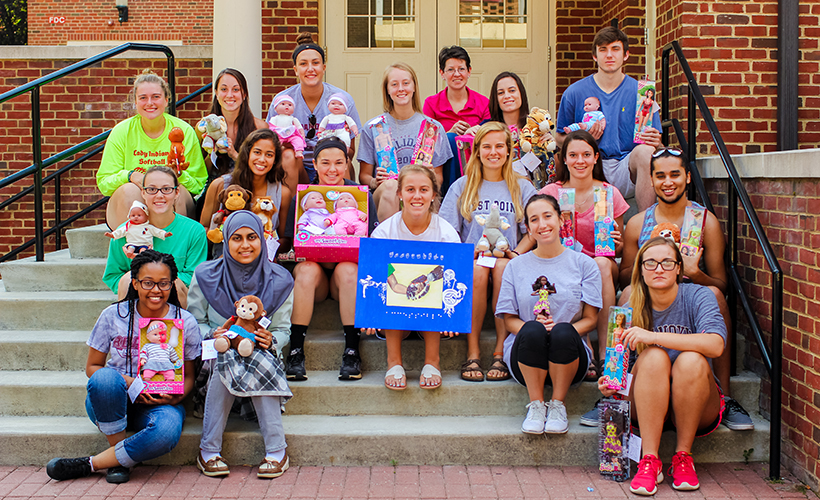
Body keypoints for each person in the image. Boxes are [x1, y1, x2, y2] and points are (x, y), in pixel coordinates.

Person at [614, 147, 752, 431]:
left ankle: (724, 396)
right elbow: (624, 277)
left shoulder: (706, 222)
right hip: (652, 300)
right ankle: (617, 384)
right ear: (650, 181)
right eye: (660, 175)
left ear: (688, 177)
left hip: (692, 302)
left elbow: (721, 284)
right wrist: (646, 264)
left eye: (675, 174)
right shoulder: (638, 223)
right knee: (627, 295)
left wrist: (694, 272)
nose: (668, 182)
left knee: (714, 296)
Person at [46, 251, 200, 484]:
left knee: (167, 432)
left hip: (159, 404)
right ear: (135, 283)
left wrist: (176, 398)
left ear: (172, 285)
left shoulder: (185, 322)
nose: (156, 290)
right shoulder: (113, 315)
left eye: (163, 283)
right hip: (111, 400)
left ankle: (94, 464)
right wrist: (131, 382)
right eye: (148, 283)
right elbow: (92, 367)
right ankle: (119, 454)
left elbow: (189, 375)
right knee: (105, 378)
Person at [598, 236, 726, 495]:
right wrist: (611, 384)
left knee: (690, 359)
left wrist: (652, 336)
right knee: (654, 358)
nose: (658, 269)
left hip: (695, 402)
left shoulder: (698, 295)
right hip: (645, 403)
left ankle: (683, 457)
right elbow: (618, 367)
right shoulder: (629, 306)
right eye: (651, 263)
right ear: (641, 269)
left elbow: (715, 345)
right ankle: (650, 460)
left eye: (667, 262)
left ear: (679, 267)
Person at [187, 211, 294, 479]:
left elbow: (283, 330)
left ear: (262, 239)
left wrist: (271, 341)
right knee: (228, 359)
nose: (244, 245)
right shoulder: (205, 275)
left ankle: (276, 451)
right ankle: (209, 450)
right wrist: (214, 333)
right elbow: (193, 324)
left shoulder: (280, 280)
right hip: (215, 356)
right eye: (236, 238)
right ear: (225, 240)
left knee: (256, 357)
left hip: (260, 357)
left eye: (251, 237)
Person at [496, 194, 601, 434]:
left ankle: (557, 405)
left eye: (547, 216)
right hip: (526, 354)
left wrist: (556, 331)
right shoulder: (515, 266)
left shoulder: (584, 264)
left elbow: (591, 319)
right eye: (534, 220)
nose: (542, 225)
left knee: (564, 331)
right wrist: (538, 329)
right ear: (528, 228)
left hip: (570, 354)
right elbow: (508, 319)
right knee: (532, 329)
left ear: (561, 220)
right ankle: (536, 405)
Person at [440, 122, 536, 382]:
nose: (493, 152)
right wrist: (465, 253)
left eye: (499, 146)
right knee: (477, 273)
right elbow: (447, 230)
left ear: (508, 151)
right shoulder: (462, 186)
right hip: (473, 257)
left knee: (505, 270)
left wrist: (515, 253)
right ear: (477, 151)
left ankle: (500, 351)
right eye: (487, 147)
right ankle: (473, 352)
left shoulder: (522, 187)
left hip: (509, 257)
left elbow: (533, 230)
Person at [280, 137, 378, 382]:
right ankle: (295, 350)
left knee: (347, 270)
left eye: (338, 163)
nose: (332, 169)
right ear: (314, 164)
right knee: (305, 269)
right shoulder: (304, 198)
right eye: (325, 163)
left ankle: (352, 350)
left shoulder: (360, 197)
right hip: (317, 279)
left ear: (347, 164)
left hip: (343, 278)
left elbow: (370, 242)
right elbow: (295, 241)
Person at [363, 164, 461, 390]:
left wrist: (451, 316)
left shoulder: (446, 233)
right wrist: (371, 313)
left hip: (431, 307)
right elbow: (375, 274)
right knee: (395, 290)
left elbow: (453, 277)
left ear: (434, 194)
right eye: (410, 189)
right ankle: (394, 362)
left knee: (430, 288)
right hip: (397, 303)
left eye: (424, 190)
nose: (417, 196)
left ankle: (432, 361)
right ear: (399, 194)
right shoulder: (384, 232)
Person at [539, 130, 629, 375]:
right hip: (562, 262)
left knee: (599, 265)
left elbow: (617, 249)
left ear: (596, 158)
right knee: (572, 267)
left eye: (586, 154)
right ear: (564, 160)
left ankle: (604, 352)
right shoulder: (551, 194)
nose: (580, 160)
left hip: (600, 262)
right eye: (573, 155)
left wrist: (617, 242)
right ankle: (584, 344)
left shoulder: (609, 194)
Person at [554, 27, 661, 211]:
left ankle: (645, 226)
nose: (609, 55)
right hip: (590, 164)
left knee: (646, 152)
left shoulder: (642, 93)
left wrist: (657, 143)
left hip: (627, 168)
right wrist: (583, 140)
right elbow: (558, 138)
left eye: (615, 49)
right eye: (603, 49)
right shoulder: (574, 92)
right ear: (595, 56)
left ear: (626, 54)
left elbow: (656, 145)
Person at [98, 70, 207, 229]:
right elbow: (104, 182)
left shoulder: (183, 130)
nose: (150, 103)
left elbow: (199, 184)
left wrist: (179, 176)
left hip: (172, 202)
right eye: (143, 98)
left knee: (176, 192)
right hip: (135, 204)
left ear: (166, 100)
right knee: (129, 190)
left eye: (156, 97)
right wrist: (130, 175)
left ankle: (176, 249)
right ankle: (134, 247)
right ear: (135, 102)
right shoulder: (121, 131)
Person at [266, 32, 362, 193]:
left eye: (315, 63)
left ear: (323, 67)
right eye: (303, 64)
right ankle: (290, 215)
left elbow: (350, 152)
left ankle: (341, 215)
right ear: (296, 70)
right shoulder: (283, 100)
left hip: (329, 166)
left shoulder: (342, 100)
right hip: (297, 166)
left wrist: (329, 156)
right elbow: (272, 145)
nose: (310, 69)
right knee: (288, 156)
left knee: (340, 160)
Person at [102, 166, 207, 309]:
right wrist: (145, 284)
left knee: (174, 282)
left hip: (176, 301)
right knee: (127, 279)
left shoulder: (194, 231)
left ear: (176, 193)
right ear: (143, 193)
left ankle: (180, 329)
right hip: (137, 299)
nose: (159, 195)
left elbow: (193, 276)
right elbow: (113, 276)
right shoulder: (125, 231)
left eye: (166, 189)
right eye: (151, 189)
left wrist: (160, 280)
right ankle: (130, 328)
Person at [358, 62, 452, 222]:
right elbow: (364, 176)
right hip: (385, 195)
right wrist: (375, 181)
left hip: (421, 194)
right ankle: (387, 244)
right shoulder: (374, 127)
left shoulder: (433, 128)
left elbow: (440, 178)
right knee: (391, 187)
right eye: (394, 84)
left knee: (420, 190)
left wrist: (432, 176)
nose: (401, 88)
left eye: (406, 83)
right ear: (387, 90)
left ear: (414, 87)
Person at [199, 129, 292, 257]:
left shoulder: (282, 193)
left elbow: (286, 241)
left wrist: (260, 245)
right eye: (257, 152)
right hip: (224, 258)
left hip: (263, 259)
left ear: (275, 160)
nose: (262, 159)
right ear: (247, 154)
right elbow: (202, 230)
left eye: (269, 155)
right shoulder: (220, 185)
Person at [422, 46, 490, 195]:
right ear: (442, 73)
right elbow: (426, 143)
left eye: (461, 69)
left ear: (469, 71)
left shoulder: (483, 102)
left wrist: (474, 132)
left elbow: (491, 135)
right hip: (443, 169)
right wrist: (448, 135)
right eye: (451, 70)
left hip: (477, 164)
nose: (457, 74)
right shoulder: (431, 103)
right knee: (452, 138)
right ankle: (453, 195)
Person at [201, 68, 269, 181]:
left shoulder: (260, 127)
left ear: (244, 94)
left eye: (236, 89)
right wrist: (212, 153)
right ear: (216, 94)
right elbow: (200, 172)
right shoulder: (204, 127)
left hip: (247, 184)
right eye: (223, 89)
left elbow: (264, 169)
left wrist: (234, 155)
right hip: (213, 187)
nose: (229, 95)